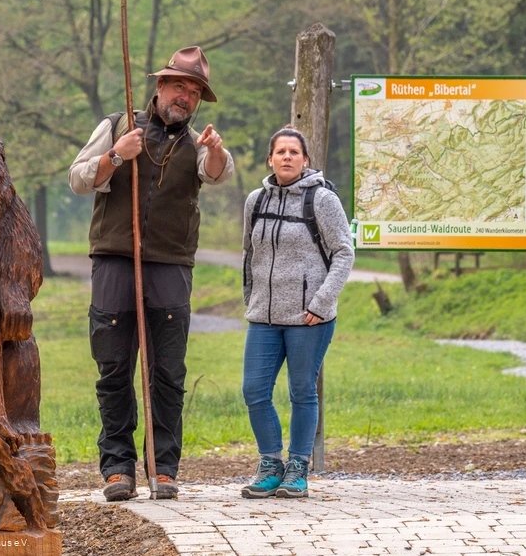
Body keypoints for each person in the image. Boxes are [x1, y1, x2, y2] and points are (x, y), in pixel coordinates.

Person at [68, 46, 234, 501]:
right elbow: (79, 179)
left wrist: (216, 152)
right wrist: (118, 156)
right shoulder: (118, 126)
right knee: (114, 367)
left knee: (167, 371)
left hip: (171, 265)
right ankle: (118, 468)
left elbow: (217, 174)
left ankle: (163, 468)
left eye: (195, 91)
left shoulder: (199, 143)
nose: (185, 97)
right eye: (179, 85)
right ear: (159, 86)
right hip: (115, 260)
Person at [239, 125, 354, 498]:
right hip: (264, 318)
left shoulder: (321, 199)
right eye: (280, 151)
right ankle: (271, 464)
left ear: (305, 160)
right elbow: (249, 254)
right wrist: (251, 298)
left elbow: (343, 253)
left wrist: (321, 303)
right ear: (270, 158)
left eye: (294, 151)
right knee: (254, 390)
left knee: (302, 391)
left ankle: (298, 467)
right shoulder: (255, 200)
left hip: (309, 319)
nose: (287, 157)